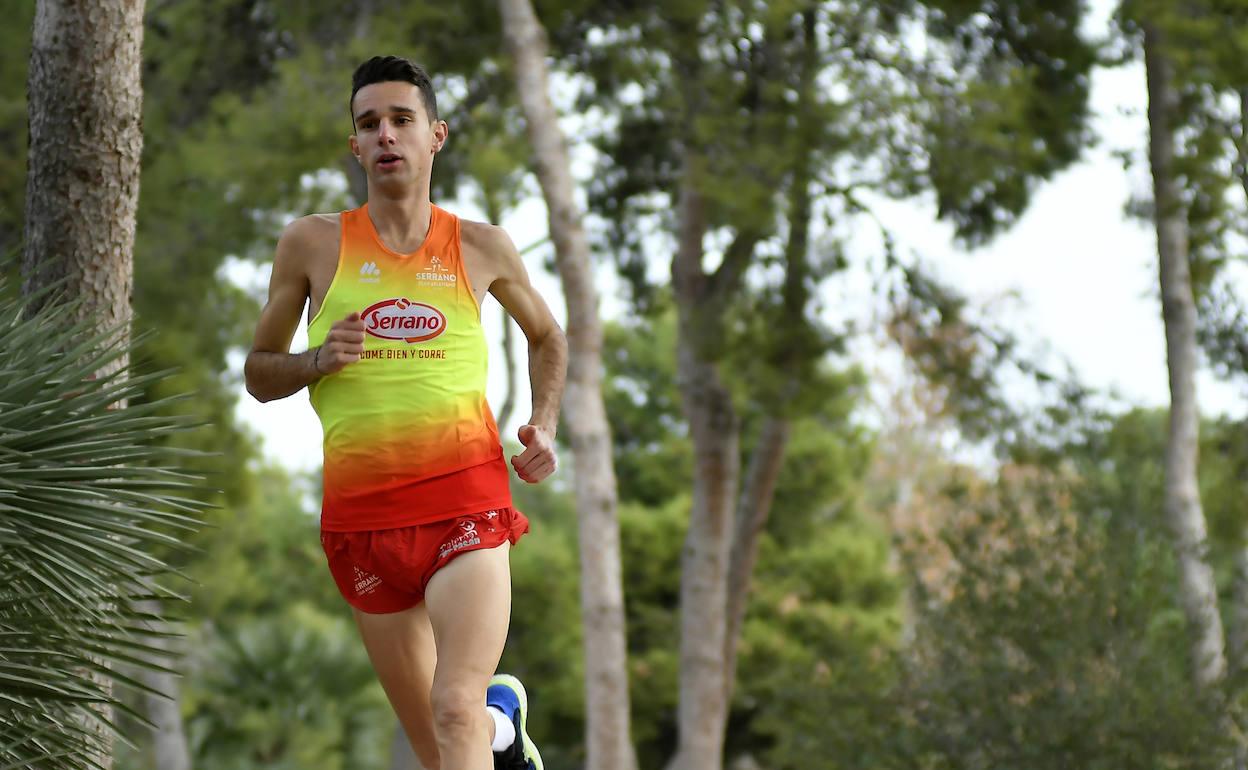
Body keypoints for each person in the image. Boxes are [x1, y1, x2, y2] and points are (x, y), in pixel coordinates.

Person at [243, 54, 565, 770]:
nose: (385, 134)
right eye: (368, 123)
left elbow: (548, 337)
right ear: (354, 146)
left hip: (465, 504)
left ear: (436, 135)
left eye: (401, 119)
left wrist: (543, 423)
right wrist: (314, 361)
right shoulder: (311, 243)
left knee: (452, 707)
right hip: (361, 522)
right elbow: (259, 375)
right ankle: (500, 728)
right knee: (439, 746)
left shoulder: (480, 246)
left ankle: (482, 718)